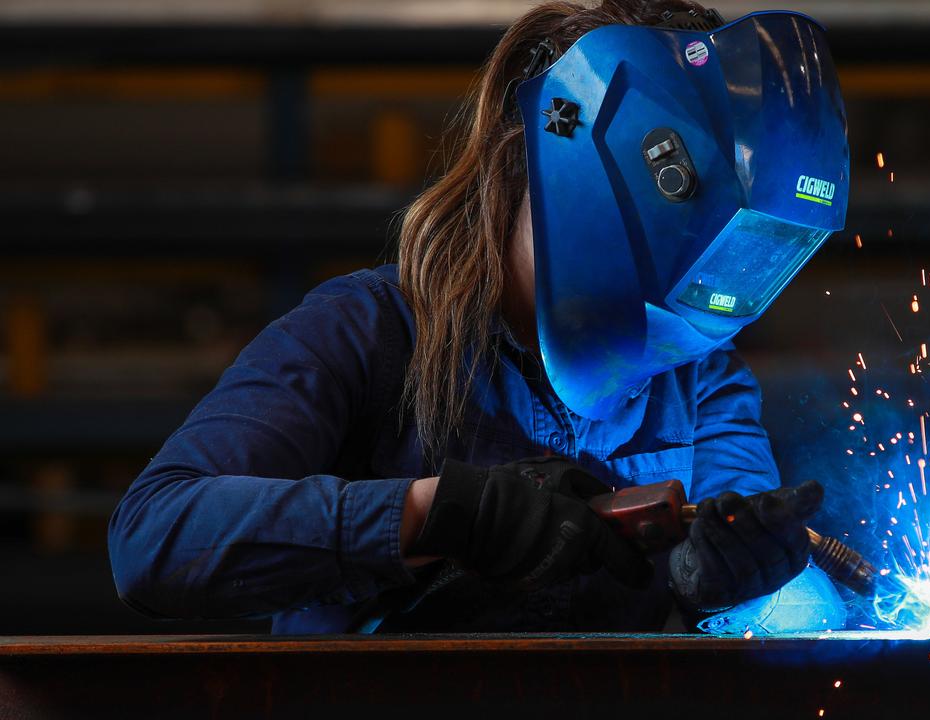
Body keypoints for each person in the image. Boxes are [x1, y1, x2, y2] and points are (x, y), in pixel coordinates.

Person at [107, 0, 850, 634]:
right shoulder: (368, 332)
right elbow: (152, 538)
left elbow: (787, 606)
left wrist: (734, 593)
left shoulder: (702, 381)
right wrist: (434, 514)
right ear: (574, 177)